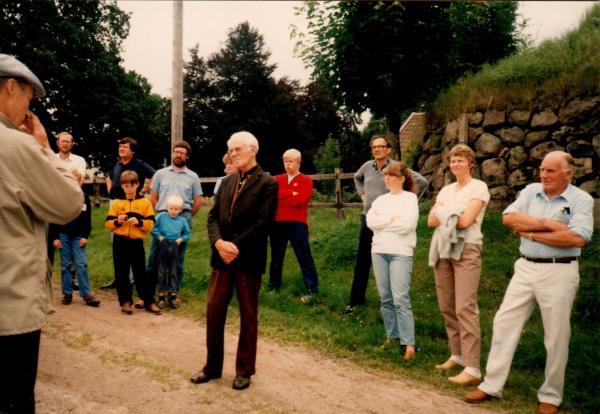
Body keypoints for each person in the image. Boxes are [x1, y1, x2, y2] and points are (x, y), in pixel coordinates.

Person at [465, 151, 593, 414]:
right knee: (504, 321)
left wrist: (531, 234)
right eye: (542, 169)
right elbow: (508, 218)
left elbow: (578, 238)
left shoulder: (582, 199)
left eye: (551, 171)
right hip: (525, 267)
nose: (544, 175)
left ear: (568, 174)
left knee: (556, 334)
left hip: (559, 272)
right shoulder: (531, 191)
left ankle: (550, 396)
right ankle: (491, 385)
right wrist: (551, 225)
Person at [0, 54, 83, 414]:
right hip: (9, 308)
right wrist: (45, 149)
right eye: (29, 102)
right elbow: (68, 204)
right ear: (11, 87)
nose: (27, 112)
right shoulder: (15, 145)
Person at [190, 131, 278, 391]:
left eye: (238, 149)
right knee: (214, 311)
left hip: (247, 260)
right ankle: (212, 367)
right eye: (231, 149)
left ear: (253, 149)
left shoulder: (267, 183)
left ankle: (244, 370)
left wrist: (234, 247)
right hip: (221, 259)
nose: (233, 153)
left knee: (248, 316)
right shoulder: (227, 181)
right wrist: (218, 243)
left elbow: (263, 224)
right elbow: (212, 217)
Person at [427, 144, 490, 386]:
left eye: (460, 161)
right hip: (443, 247)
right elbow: (431, 220)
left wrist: (446, 213)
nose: (456, 165)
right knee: (447, 304)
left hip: (467, 248)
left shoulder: (479, 188)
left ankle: (473, 368)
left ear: (470, 163)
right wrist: (450, 213)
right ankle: (458, 354)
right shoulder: (446, 190)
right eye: (453, 161)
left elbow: (465, 221)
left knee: (465, 306)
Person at [343, 135, 428, 315]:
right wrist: (363, 195)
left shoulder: (396, 168)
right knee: (362, 262)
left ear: (388, 149)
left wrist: (408, 199)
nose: (377, 150)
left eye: (381, 146)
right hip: (368, 220)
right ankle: (355, 302)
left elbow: (421, 181)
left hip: (388, 225)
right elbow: (357, 178)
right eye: (374, 147)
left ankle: (392, 306)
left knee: (390, 263)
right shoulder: (366, 167)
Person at [366, 161, 418, 361]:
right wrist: (391, 220)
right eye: (385, 175)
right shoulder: (380, 201)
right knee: (385, 297)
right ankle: (392, 336)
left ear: (402, 179)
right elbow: (371, 222)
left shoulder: (409, 199)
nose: (386, 178)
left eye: (391, 175)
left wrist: (384, 223)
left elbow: (407, 226)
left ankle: (409, 343)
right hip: (379, 251)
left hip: (400, 253)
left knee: (400, 298)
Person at [146, 140, 202, 306]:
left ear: (187, 156)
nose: (178, 155)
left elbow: (198, 201)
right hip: (163, 217)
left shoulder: (193, 176)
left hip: (182, 218)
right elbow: (153, 197)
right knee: (155, 257)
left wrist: (183, 218)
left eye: (182, 153)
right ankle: (150, 293)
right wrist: (161, 213)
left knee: (177, 259)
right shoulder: (160, 174)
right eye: (176, 152)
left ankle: (173, 293)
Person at [102, 136, 155, 290]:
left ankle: (133, 281)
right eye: (120, 147)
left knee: (132, 242)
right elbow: (109, 177)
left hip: (134, 205)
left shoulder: (138, 164)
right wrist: (110, 189)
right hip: (117, 205)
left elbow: (155, 175)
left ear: (132, 150)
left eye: (124, 147)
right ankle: (120, 278)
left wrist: (144, 189)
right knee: (117, 242)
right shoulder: (118, 165)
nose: (121, 149)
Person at [105, 170, 159, 315]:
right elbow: (108, 224)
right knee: (121, 271)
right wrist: (117, 221)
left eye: (132, 185)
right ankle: (125, 301)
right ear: (122, 186)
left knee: (140, 271)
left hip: (136, 242)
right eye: (126, 186)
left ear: (137, 185)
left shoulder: (144, 202)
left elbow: (151, 223)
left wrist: (140, 222)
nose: (129, 189)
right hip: (120, 241)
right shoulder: (116, 203)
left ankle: (148, 300)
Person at [269, 148, 319, 303]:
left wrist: (284, 196)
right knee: (276, 256)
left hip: (297, 224)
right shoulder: (276, 179)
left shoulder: (306, 180)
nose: (287, 164)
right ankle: (273, 287)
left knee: (304, 256)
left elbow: (301, 200)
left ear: (298, 162)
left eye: (290, 161)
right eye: (285, 161)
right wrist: (291, 193)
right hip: (277, 223)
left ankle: (312, 289)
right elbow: (272, 197)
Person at [49, 170, 100, 308]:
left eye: (75, 180)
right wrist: (54, 237)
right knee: (65, 265)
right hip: (63, 235)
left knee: (81, 264)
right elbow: (53, 219)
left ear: (80, 181)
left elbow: (87, 220)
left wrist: (85, 235)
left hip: (78, 236)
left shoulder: (84, 198)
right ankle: (67, 293)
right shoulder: (59, 199)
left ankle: (86, 293)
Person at [151, 195, 191, 309]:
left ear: (180, 210)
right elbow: (153, 227)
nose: (173, 211)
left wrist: (179, 240)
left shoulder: (182, 220)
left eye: (176, 209)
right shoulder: (161, 217)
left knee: (173, 271)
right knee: (162, 271)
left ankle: (172, 295)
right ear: (167, 207)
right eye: (171, 208)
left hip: (174, 246)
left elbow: (187, 233)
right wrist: (160, 237)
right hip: (163, 244)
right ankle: (161, 296)